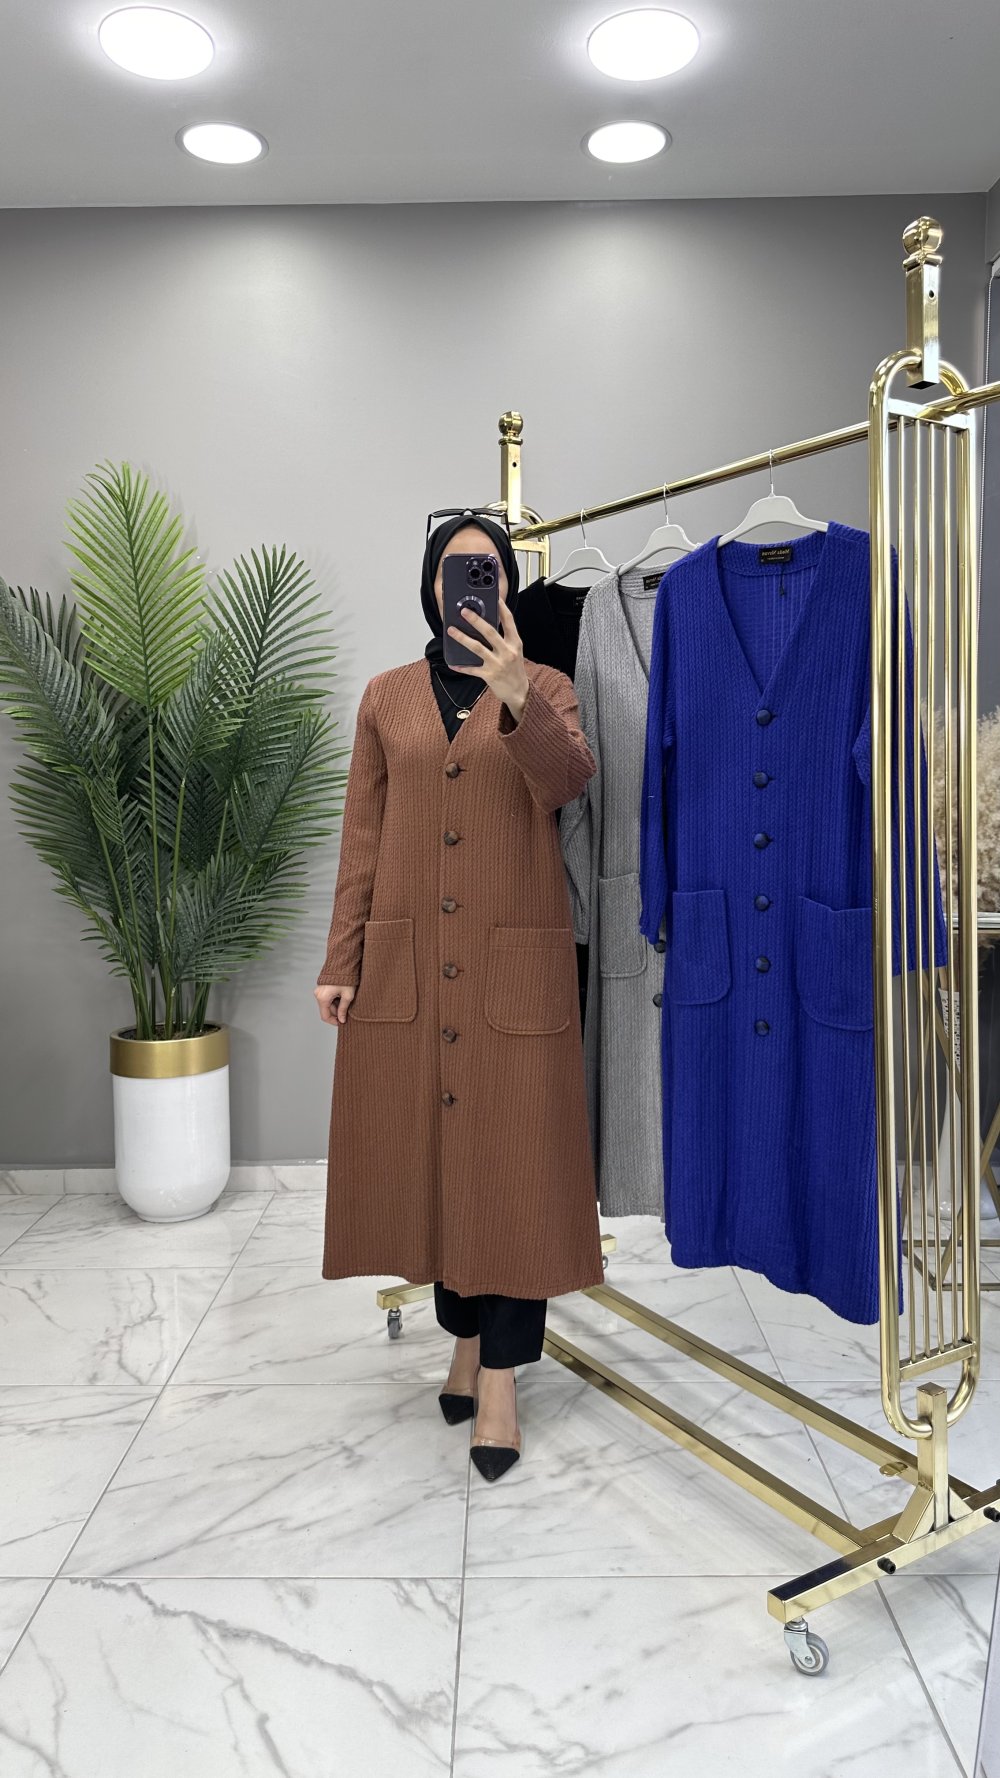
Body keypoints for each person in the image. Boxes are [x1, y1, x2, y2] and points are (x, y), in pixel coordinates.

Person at [314, 508, 604, 1480]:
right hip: (408, 963)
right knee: (438, 1164)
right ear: (430, 585)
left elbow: (567, 782)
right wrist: (341, 960)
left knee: (513, 1170)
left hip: (511, 969)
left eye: (488, 569)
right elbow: (361, 837)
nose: (471, 582)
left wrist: (516, 692)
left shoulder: (546, 686)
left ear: (507, 586)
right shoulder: (385, 697)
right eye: (455, 567)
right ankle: (466, 1341)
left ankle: (502, 1379)